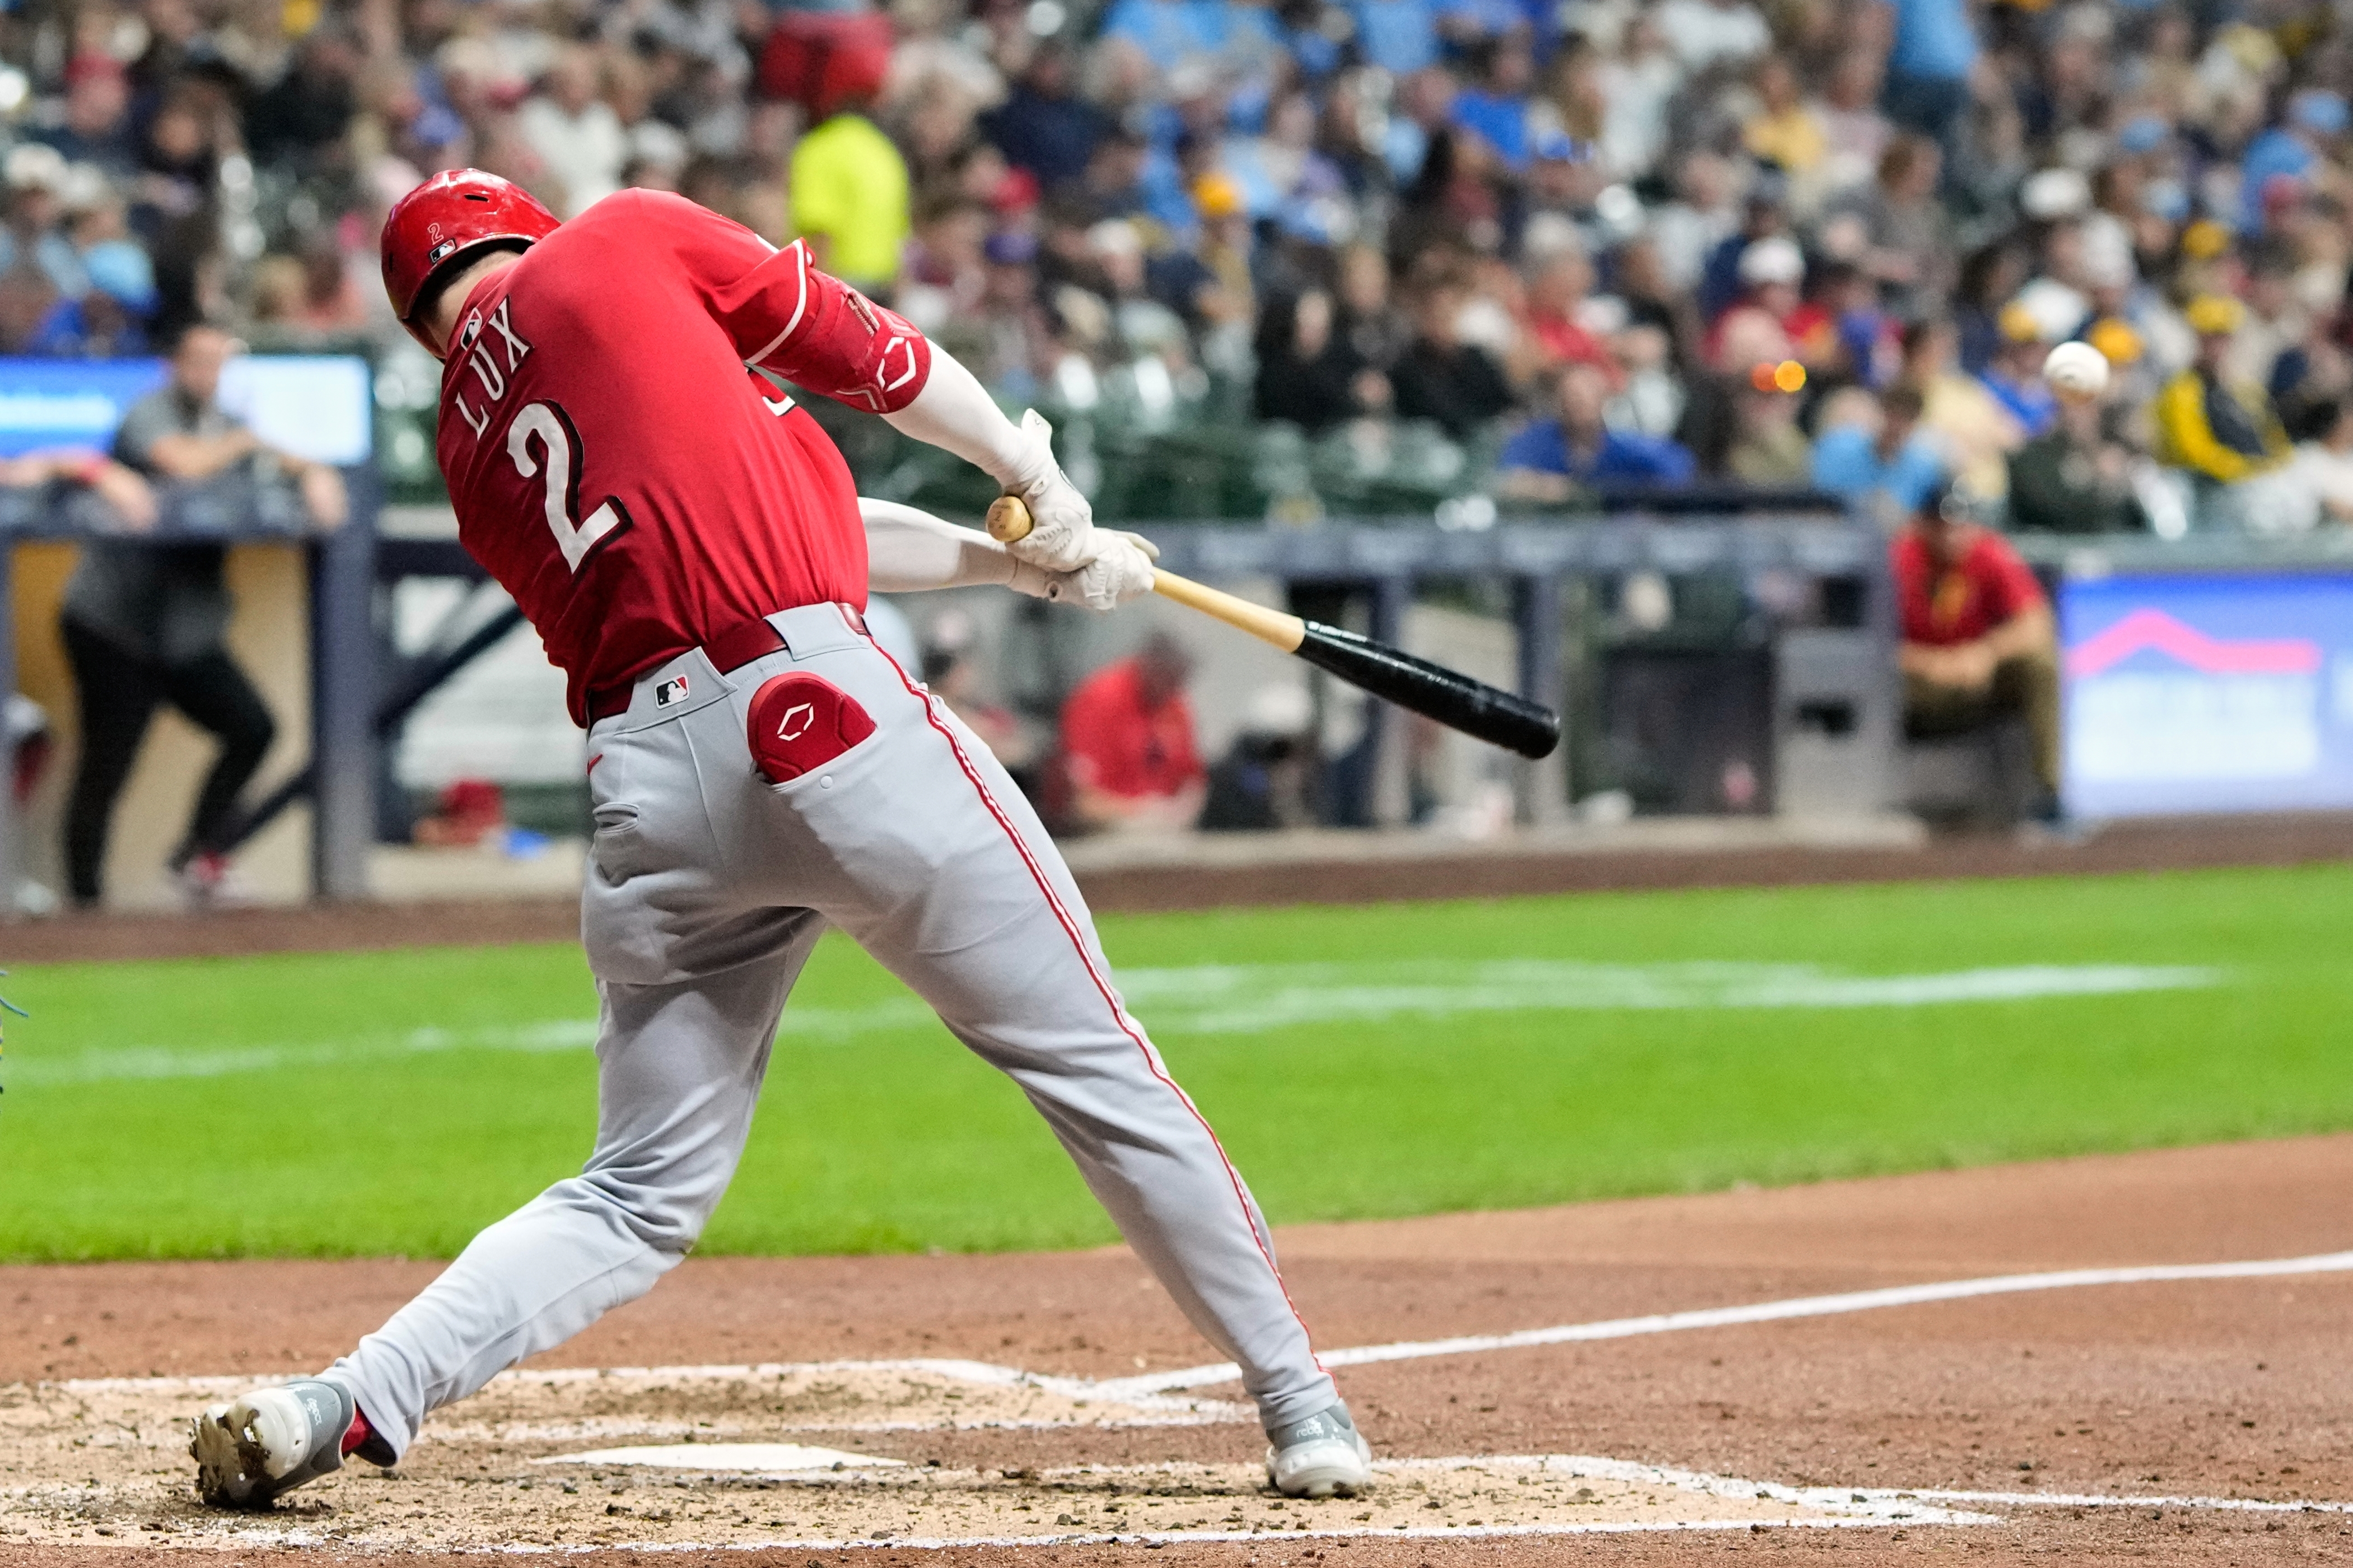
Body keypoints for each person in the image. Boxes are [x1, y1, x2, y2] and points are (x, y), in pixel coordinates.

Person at [187, 170, 1370, 1510]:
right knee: (1093, 1062)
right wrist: (1031, 474)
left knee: (634, 1193)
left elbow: (811, 526)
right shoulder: (618, 237)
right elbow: (879, 357)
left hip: (652, 795)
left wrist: (1013, 560)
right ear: (525, 222)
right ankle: (1299, 1403)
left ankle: (344, 1399)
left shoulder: (472, 447)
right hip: (828, 721)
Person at [59, 323, 345, 907]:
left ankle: (195, 855)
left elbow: (293, 465)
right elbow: (184, 464)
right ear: (175, 364)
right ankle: (82, 912)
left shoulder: (228, 424)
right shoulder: (151, 414)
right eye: (198, 362)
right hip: (114, 624)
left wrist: (315, 473)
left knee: (252, 728)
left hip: (184, 633)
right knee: (108, 763)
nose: (208, 374)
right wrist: (247, 444)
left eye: (219, 363)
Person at [1893, 477, 2061, 820]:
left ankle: (2048, 797)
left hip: (1974, 680)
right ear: (1923, 525)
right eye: (1942, 526)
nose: (1952, 535)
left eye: (1960, 525)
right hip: (1914, 684)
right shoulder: (1901, 558)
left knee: (2042, 663)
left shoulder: (1988, 552)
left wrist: (1984, 653)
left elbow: (2037, 624)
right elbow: (1871, 641)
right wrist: (1930, 663)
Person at [1056, 631, 1208, 831]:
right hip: (1101, 829)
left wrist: (1183, 809)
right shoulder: (1100, 699)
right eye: (1168, 677)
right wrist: (1142, 810)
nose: (1173, 689)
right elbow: (1084, 802)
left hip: (1165, 826)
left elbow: (1192, 779)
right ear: (1148, 664)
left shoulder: (1174, 704)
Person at [1497, 360, 1696, 500]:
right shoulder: (1538, 441)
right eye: (1570, 396)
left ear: (1603, 400)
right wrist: (1547, 487)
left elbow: (1679, 468)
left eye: (1586, 397)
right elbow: (1506, 480)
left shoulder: (1624, 446)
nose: (1576, 404)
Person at [2155, 295, 2290, 497]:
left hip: (2255, 486)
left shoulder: (2243, 389)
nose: (2218, 345)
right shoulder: (2181, 389)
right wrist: (2246, 470)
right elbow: (2194, 451)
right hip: (2207, 490)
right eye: (2210, 337)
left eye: (2224, 337)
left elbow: (2273, 435)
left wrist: (2277, 466)